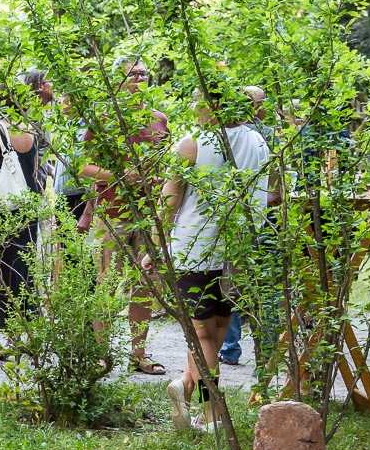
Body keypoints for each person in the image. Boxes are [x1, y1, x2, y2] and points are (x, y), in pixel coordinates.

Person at [163, 87, 270, 430]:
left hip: (195, 248)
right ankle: (186, 385)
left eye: (197, 99)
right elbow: (272, 192)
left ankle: (209, 411)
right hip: (237, 249)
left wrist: (157, 244)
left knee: (202, 335)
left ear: (211, 105)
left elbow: (170, 198)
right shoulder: (258, 142)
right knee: (219, 327)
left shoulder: (192, 142)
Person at [80, 57, 169, 376]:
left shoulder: (159, 119)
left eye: (145, 73)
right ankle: (101, 353)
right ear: (117, 81)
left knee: (146, 283)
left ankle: (139, 353)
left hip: (148, 215)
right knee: (108, 283)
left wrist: (159, 184)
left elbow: (165, 165)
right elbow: (84, 167)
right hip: (112, 215)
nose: (141, 78)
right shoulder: (103, 118)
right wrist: (120, 175)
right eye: (134, 74)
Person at [0, 74, 46, 334]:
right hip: (29, 204)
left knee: (0, 268)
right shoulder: (33, 128)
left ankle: (2, 326)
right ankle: (29, 325)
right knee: (24, 265)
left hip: (3, 209)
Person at [219, 85, 274, 366]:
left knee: (236, 285)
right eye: (258, 102)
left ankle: (237, 348)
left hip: (250, 218)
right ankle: (235, 347)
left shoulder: (262, 134)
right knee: (240, 283)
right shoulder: (256, 136)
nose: (261, 107)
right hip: (251, 217)